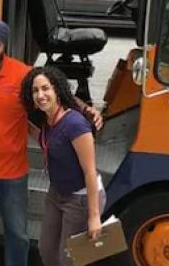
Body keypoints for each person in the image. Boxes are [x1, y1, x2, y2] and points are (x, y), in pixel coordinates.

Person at [0, 18, 103, 266]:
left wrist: (87, 109)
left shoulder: (22, 74)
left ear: (5, 45)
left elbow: (56, 91)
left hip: (13, 169)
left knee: (18, 233)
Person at [20, 66, 105, 266]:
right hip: (56, 193)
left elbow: (90, 172)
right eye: (35, 91)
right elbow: (45, 140)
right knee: (47, 251)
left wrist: (94, 217)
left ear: (57, 89)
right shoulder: (48, 121)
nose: (40, 95)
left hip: (80, 198)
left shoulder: (75, 124)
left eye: (45, 88)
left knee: (69, 260)